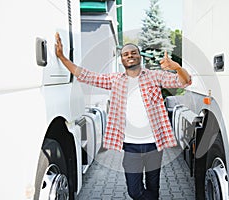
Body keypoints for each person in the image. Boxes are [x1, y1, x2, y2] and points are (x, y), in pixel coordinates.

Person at [55, 32, 191, 200]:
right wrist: (62, 57)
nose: (130, 56)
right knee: (134, 191)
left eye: (133, 52)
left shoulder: (155, 76)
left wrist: (177, 68)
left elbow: (184, 82)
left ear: (139, 57)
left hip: (154, 145)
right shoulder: (116, 80)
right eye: (126, 54)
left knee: (153, 186)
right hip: (131, 146)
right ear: (122, 60)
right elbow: (86, 76)